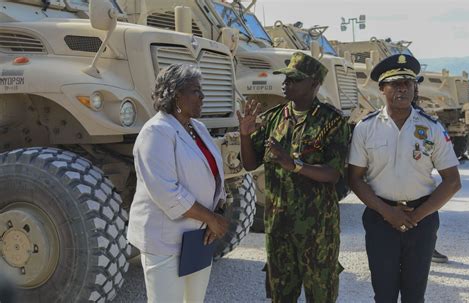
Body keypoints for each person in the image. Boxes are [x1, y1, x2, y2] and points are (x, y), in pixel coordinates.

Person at [238, 52, 351, 302]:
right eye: (286, 79)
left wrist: (294, 165)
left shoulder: (331, 122)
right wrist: (245, 135)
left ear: (314, 84)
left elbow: (333, 174)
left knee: (320, 295)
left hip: (318, 231)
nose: (286, 84)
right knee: (281, 296)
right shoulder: (272, 118)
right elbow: (249, 163)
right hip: (279, 227)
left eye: (294, 80)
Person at [348, 54, 461, 302]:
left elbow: (452, 181)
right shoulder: (366, 128)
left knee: (414, 295)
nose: (402, 88)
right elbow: (355, 178)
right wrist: (388, 213)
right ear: (381, 89)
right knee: (384, 294)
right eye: (395, 83)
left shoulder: (431, 127)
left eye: (408, 83)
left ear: (414, 88)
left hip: (422, 220)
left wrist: (416, 216)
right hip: (380, 218)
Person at [127, 63, 229, 303]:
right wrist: (212, 219)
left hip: (199, 236)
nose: (202, 96)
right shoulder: (156, 132)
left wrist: (218, 212)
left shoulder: (198, 128)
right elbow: (167, 192)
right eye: (195, 90)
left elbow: (213, 175)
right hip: (166, 240)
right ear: (175, 96)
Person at [414, 76, 449, 264]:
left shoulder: (423, 117)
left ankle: (428, 247)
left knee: (426, 212)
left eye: (415, 84)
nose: (416, 89)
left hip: (419, 176)